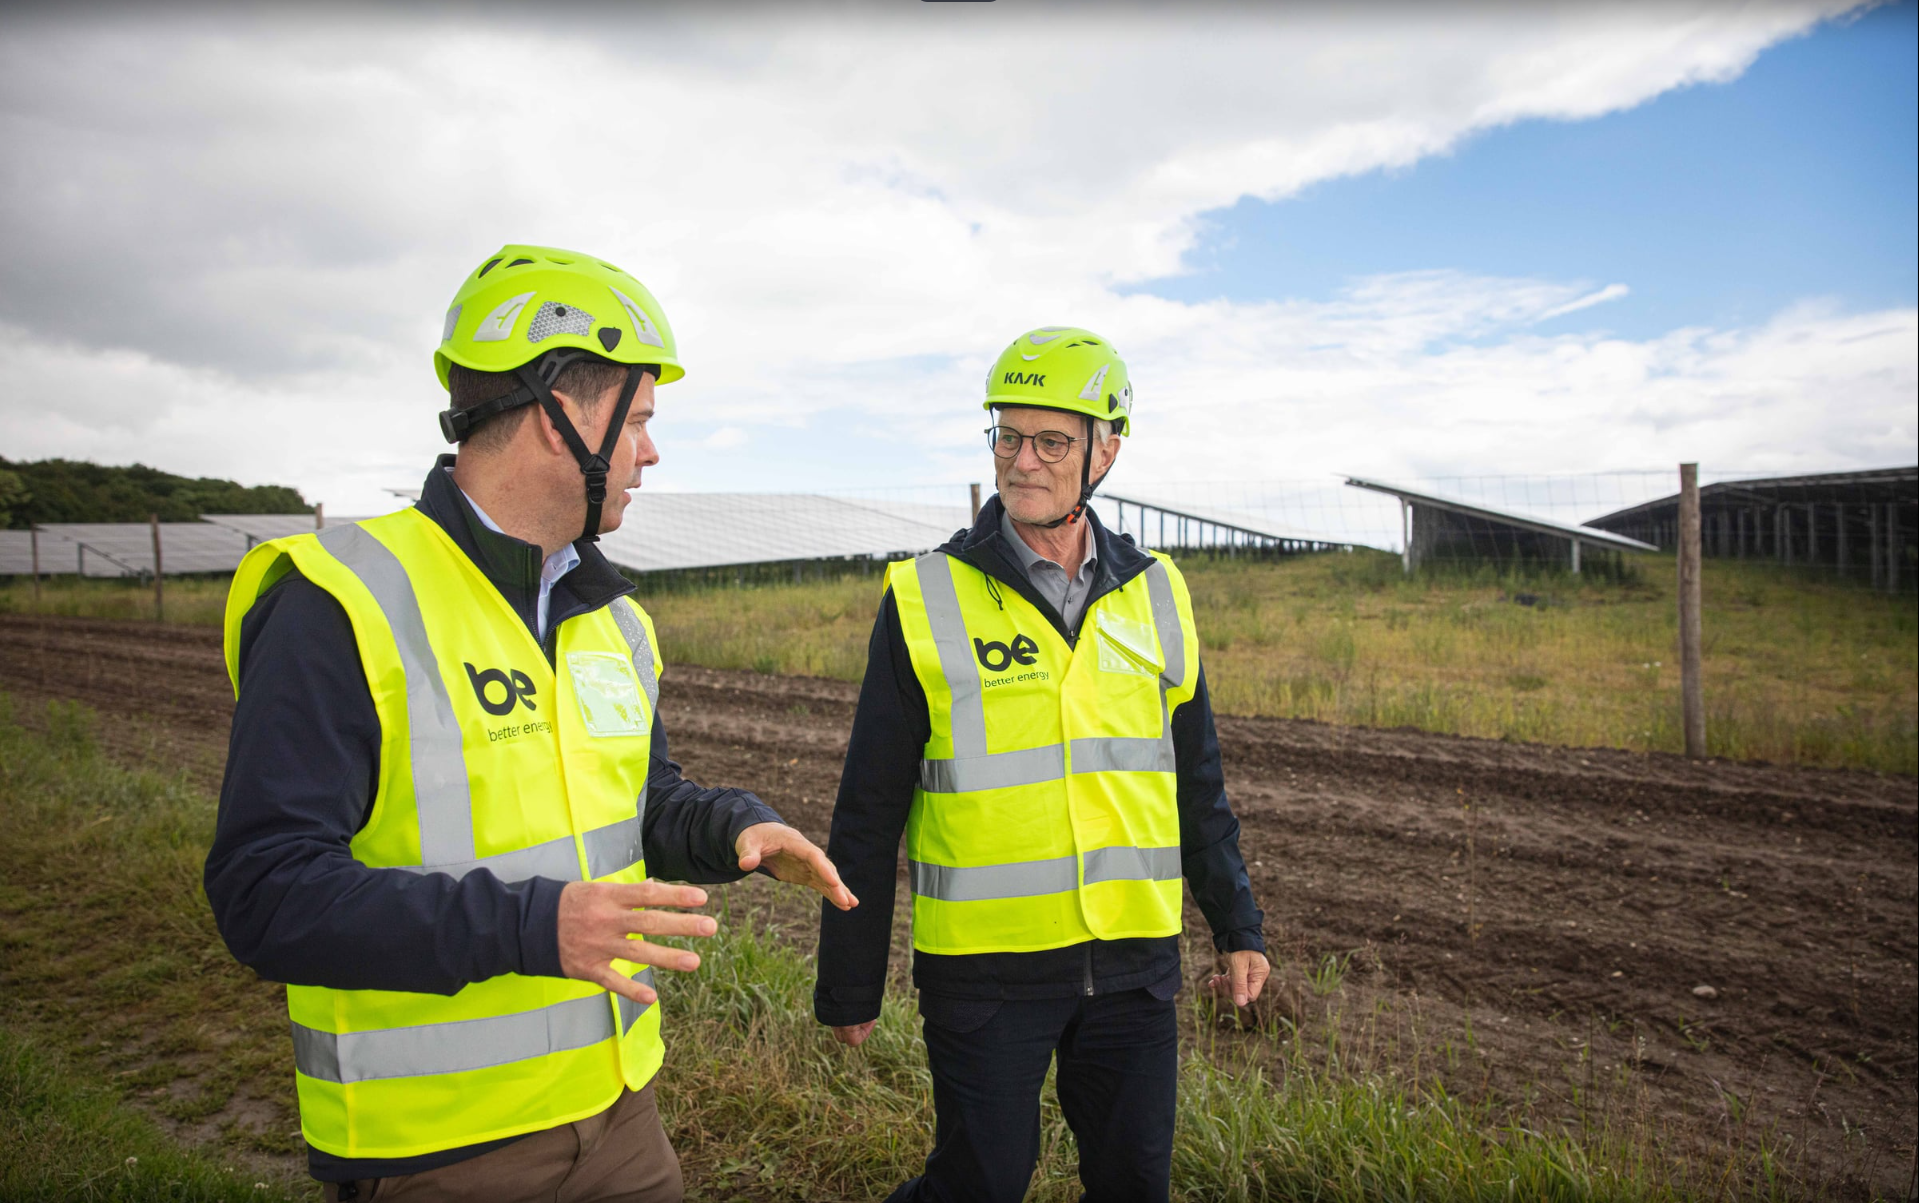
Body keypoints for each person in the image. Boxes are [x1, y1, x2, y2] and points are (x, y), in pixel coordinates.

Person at [205, 244, 855, 1203]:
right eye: (636, 420)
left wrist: (730, 827)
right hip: (439, 1151)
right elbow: (266, 892)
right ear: (560, 419)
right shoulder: (337, 601)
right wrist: (536, 926)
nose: (649, 450)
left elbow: (640, 799)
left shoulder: (611, 616)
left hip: (620, 1117)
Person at [814, 326, 1269, 1201]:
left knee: (1134, 1180)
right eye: (1006, 436)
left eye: (1050, 440)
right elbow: (867, 808)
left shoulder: (1158, 591)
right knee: (981, 1180)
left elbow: (1196, 785)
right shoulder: (924, 593)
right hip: (986, 971)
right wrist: (849, 981)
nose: (1021, 461)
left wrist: (1237, 924)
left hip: (1134, 963)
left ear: (1107, 447)